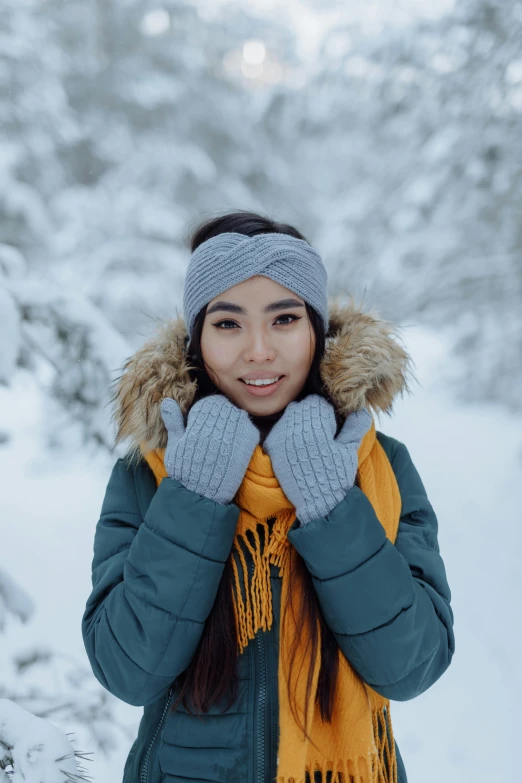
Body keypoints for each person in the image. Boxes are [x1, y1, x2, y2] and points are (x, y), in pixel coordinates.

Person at [81, 210, 455, 783]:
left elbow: (411, 666)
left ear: (318, 331)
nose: (258, 350)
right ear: (197, 340)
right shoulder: (151, 473)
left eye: (284, 318)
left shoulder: (379, 467)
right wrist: (196, 495)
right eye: (228, 324)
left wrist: (332, 507)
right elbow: (127, 669)